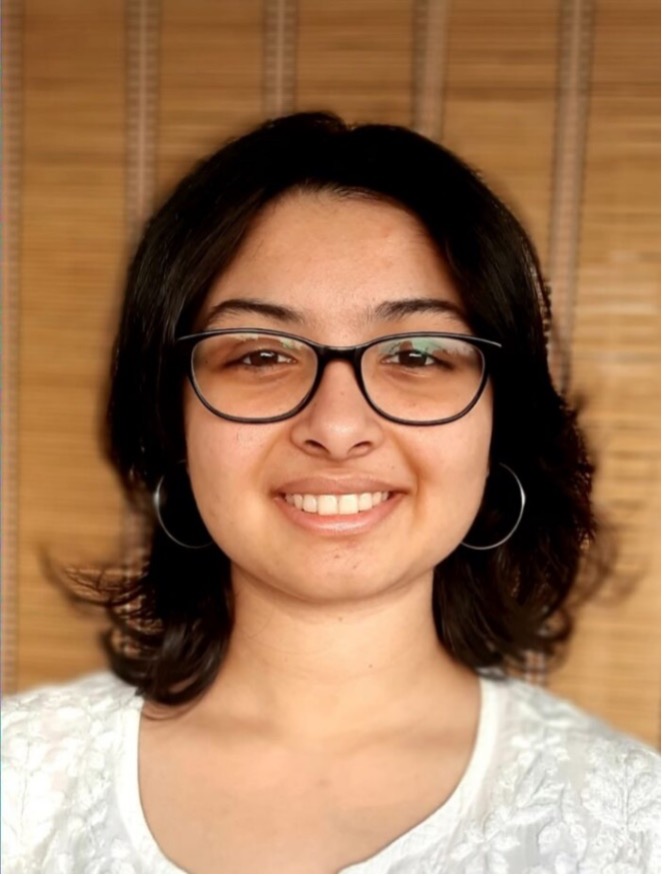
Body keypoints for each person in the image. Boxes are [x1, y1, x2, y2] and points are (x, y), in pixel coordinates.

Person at [2, 112, 659, 875]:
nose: (338, 426)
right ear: (170, 417)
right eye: (260, 354)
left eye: (416, 354)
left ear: (498, 421)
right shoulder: (21, 787)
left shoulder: (628, 824)